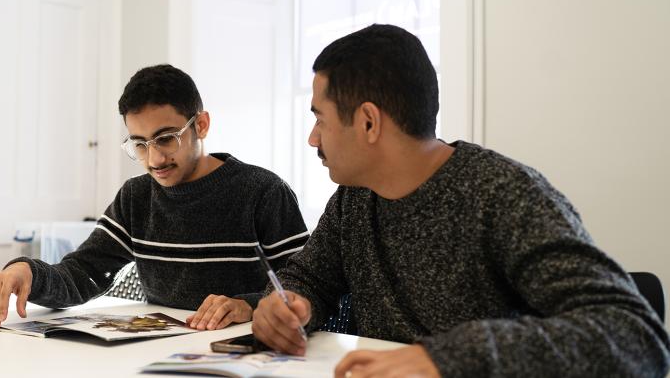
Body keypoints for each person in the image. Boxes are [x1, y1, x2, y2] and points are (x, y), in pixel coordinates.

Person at [251, 24, 670, 377]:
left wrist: (444, 357)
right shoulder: (353, 198)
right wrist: (286, 303)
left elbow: (635, 334)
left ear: (367, 122)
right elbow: (311, 279)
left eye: (319, 119)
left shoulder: (503, 193)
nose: (312, 138)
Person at [0, 64, 308, 333]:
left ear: (201, 125)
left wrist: (247, 305)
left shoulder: (263, 191)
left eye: (166, 139)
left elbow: (305, 287)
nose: (154, 160)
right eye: (139, 144)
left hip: (243, 350)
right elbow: (85, 274)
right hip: (159, 353)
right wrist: (28, 273)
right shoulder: (136, 196)